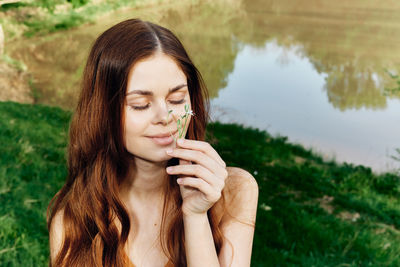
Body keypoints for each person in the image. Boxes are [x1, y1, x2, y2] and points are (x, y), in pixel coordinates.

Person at [47, 18, 258, 267]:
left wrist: (196, 216)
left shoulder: (234, 191)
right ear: (103, 112)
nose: (165, 117)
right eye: (141, 104)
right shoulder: (74, 219)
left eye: (177, 99)